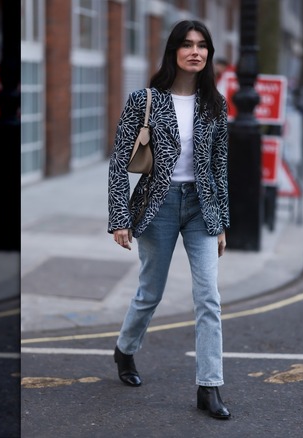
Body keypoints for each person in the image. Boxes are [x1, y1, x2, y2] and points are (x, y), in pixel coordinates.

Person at [107, 20, 231, 419]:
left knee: (208, 296)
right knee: (150, 293)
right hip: (156, 206)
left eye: (202, 46)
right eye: (187, 45)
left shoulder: (216, 103)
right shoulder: (145, 99)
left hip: (201, 206)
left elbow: (219, 165)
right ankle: (125, 350)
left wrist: (221, 220)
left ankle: (209, 386)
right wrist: (118, 217)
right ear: (174, 51)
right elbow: (118, 164)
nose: (195, 52)